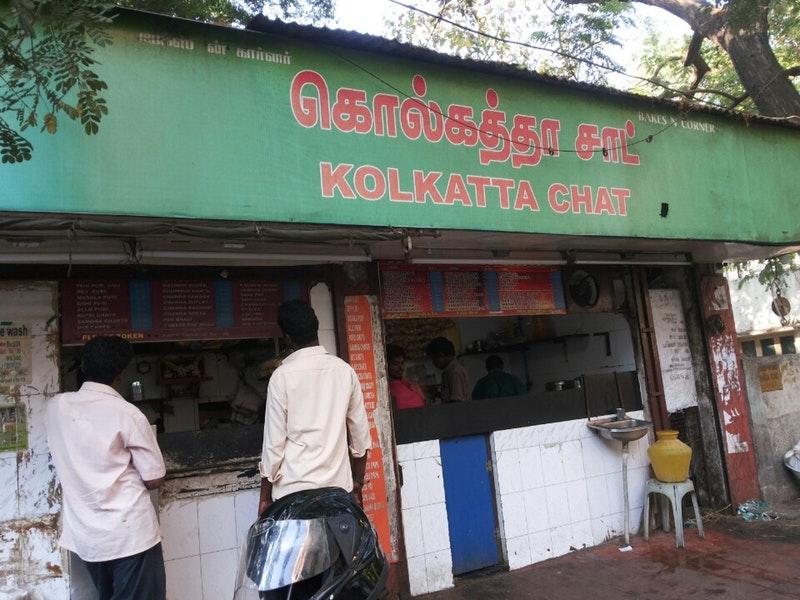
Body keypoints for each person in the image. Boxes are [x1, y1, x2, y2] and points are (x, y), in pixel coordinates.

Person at [46, 336, 166, 600]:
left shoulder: (55, 407)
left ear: (84, 366)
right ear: (121, 373)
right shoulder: (128, 413)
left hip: (87, 537)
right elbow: (155, 477)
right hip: (130, 537)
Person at [258, 300, 371, 516]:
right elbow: (360, 438)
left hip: (294, 495)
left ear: (287, 338)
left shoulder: (281, 377)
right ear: (316, 327)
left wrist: (264, 498)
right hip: (338, 492)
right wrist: (357, 483)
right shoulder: (344, 371)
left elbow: (273, 446)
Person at [425, 336, 470, 403]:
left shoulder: (454, 372)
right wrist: (437, 394)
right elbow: (450, 396)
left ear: (441, 355)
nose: (433, 363)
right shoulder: (451, 370)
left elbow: (457, 401)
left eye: (433, 358)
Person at [386, 344, 426, 410]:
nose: (401, 367)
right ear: (386, 364)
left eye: (402, 363)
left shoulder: (412, 385)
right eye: (395, 363)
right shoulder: (385, 389)